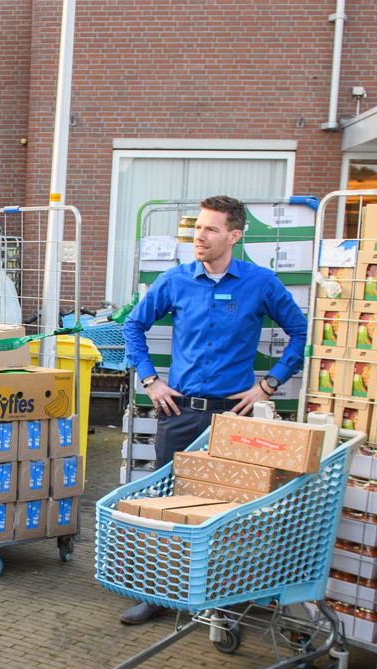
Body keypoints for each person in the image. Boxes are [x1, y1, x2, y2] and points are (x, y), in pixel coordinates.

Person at [120, 195, 307, 625]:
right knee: (171, 507)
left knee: (229, 508)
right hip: (180, 413)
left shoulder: (260, 283)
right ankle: (159, 595)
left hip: (234, 420)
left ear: (234, 235)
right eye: (197, 228)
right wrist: (150, 378)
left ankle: (219, 595)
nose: (198, 237)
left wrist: (269, 384)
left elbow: (299, 333)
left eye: (210, 229)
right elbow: (133, 325)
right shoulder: (175, 280)